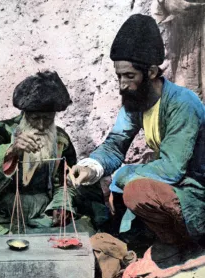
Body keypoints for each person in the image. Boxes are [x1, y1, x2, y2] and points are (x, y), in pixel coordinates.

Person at [71, 14, 205, 263]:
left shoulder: (182, 103)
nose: (122, 84)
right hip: (174, 187)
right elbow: (115, 144)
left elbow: (172, 168)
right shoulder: (137, 100)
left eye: (129, 76)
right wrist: (91, 168)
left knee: (136, 190)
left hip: (196, 192)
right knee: (123, 194)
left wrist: (120, 178)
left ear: (152, 71)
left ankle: (183, 246)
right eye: (119, 76)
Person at [0, 70, 107, 265]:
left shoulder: (60, 139)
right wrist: (10, 150)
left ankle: (10, 259)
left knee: (86, 236)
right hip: (1, 217)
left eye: (47, 118)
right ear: (24, 113)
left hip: (43, 218)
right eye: (35, 118)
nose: (40, 125)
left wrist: (61, 204)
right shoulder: (3, 130)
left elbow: (66, 179)